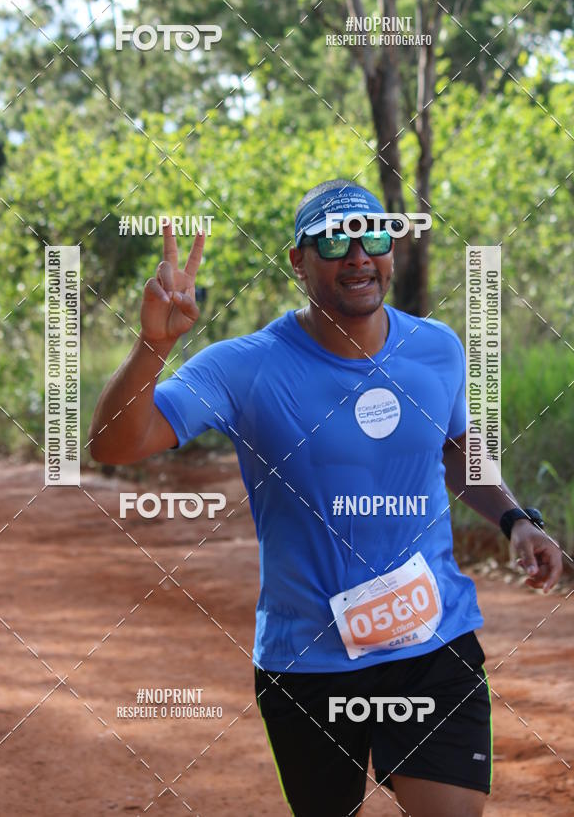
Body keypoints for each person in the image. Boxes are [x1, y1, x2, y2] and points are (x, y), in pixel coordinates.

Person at [89, 179, 563, 817]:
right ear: (298, 260)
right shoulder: (245, 367)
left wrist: (514, 519)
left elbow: (456, 448)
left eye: (374, 234)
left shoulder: (439, 349)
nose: (358, 254)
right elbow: (116, 445)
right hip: (308, 661)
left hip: (434, 645)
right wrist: (154, 346)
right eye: (334, 239)